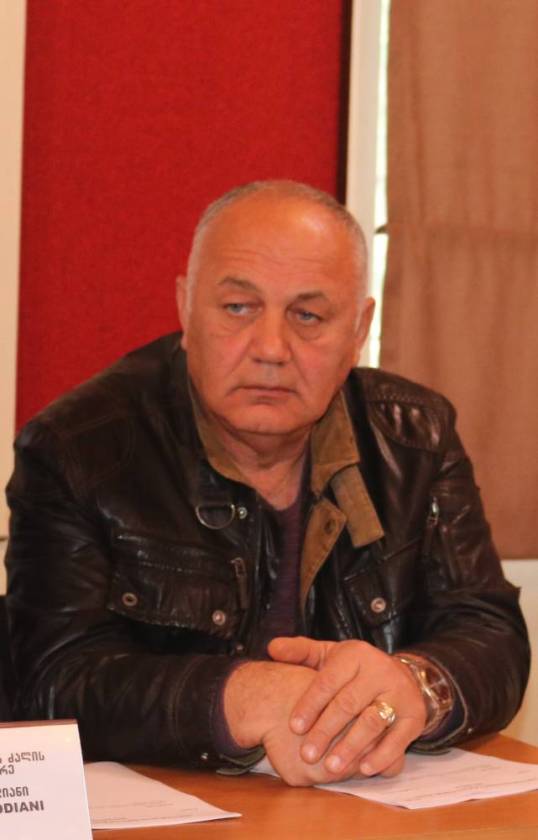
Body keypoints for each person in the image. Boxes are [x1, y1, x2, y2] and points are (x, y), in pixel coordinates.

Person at [5, 180, 529, 786]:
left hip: (362, 809)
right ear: (185, 307)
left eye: (308, 316)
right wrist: (237, 697)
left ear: (358, 330)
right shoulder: (78, 449)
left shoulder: (415, 436)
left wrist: (415, 684)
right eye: (238, 308)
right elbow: (50, 680)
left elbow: (490, 631)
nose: (272, 348)